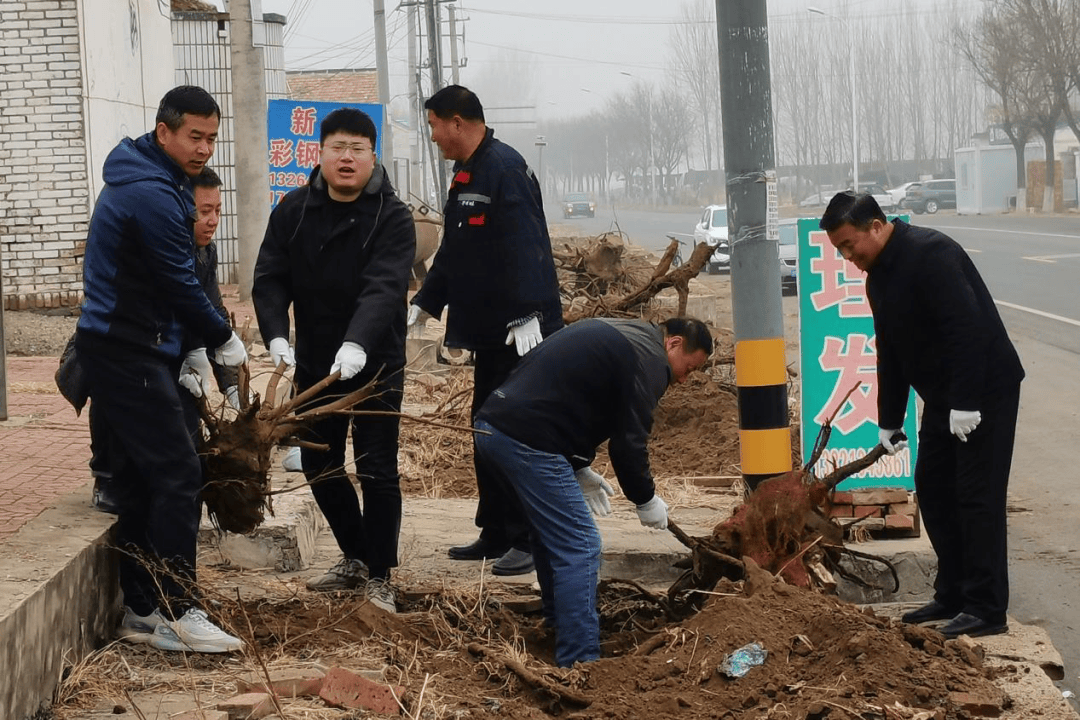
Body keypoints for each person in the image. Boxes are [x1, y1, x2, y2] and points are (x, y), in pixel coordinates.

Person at [76, 85, 248, 653]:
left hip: (135, 345)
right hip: (125, 350)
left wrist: (191, 346)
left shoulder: (158, 180)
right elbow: (178, 282)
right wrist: (220, 336)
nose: (203, 148)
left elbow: (170, 282)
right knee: (178, 472)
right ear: (163, 132)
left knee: (142, 480)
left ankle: (144, 610)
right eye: (193, 136)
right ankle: (181, 610)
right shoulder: (151, 194)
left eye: (211, 138)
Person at [820, 191, 1024, 639]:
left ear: (876, 226)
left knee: (976, 496)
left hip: (984, 389)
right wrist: (889, 418)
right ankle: (952, 593)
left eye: (850, 244)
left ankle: (986, 607)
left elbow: (967, 328)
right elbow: (889, 349)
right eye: (840, 251)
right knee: (933, 488)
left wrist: (968, 401)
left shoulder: (933, 254)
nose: (849, 257)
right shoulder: (879, 278)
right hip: (944, 397)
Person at [473, 316, 712, 666]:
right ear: (674, 344)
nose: (683, 378)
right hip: (526, 438)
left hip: (494, 425)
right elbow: (629, 443)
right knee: (581, 544)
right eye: (688, 367)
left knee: (550, 532)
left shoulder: (626, 334)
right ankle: (580, 660)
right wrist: (645, 499)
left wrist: (579, 464)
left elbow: (578, 396)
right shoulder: (650, 359)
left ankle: (559, 625)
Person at [252, 107, 416, 613]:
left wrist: (360, 341)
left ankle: (381, 575)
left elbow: (384, 286)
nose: (346, 158)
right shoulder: (294, 210)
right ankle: (354, 554)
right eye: (337, 148)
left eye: (357, 149)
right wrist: (277, 333)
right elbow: (270, 278)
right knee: (321, 463)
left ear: (373, 156)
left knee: (376, 468)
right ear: (319, 154)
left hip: (376, 363)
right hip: (317, 365)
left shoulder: (393, 216)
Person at [409, 84, 564, 576]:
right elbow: (455, 250)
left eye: (434, 125)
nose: (433, 136)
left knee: (514, 434)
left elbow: (528, 245)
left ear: (457, 122)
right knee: (486, 430)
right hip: (487, 333)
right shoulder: (466, 174)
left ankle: (529, 537)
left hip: (520, 333)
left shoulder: (505, 169)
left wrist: (527, 313)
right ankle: (496, 530)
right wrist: (426, 304)